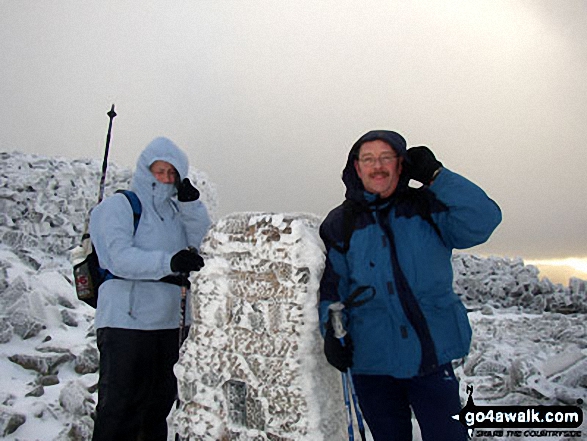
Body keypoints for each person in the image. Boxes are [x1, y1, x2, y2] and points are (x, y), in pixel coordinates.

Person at [318, 130, 501, 440]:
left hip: (428, 355)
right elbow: (334, 288)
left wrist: (437, 176)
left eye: (386, 158)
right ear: (356, 167)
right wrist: (332, 333)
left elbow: (483, 220)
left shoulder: (428, 207)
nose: (378, 166)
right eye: (369, 159)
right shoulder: (340, 223)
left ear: (401, 166)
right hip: (370, 359)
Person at [90, 137, 211, 441]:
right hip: (126, 322)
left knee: (156, 410)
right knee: (120, 410)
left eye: (173, 174)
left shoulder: (175, 214)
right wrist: (169, 261)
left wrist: (190, 205)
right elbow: (117, 258)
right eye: (160, 171)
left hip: (170, 323)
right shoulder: (120, 206)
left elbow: (202, 242)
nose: (167, 179)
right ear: (146, 170)